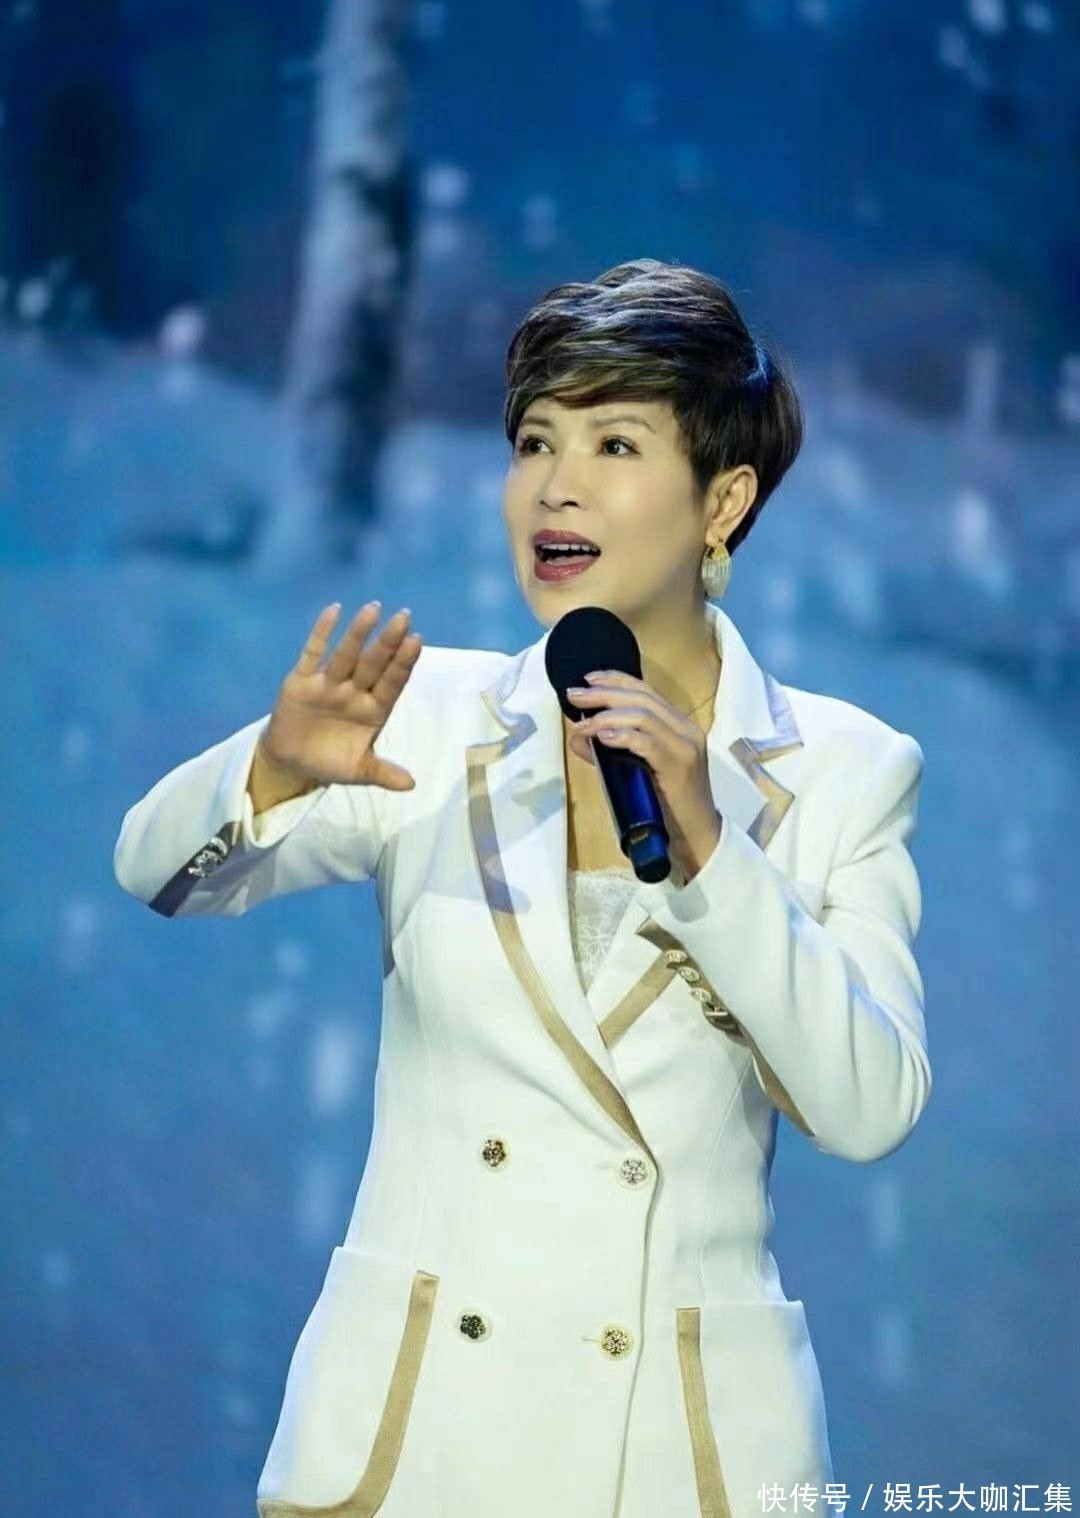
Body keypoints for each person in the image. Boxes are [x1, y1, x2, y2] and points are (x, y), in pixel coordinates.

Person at [113, 258, 930, 1518]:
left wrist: (715, 854)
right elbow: (156, 872)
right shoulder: (430, 714)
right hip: (416, 1443)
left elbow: (869, 1107)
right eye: (536, 441)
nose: (556, 484)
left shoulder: (842, 769)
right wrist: (273, 769)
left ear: (724, 501)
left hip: (676, 1458)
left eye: (615, 443)